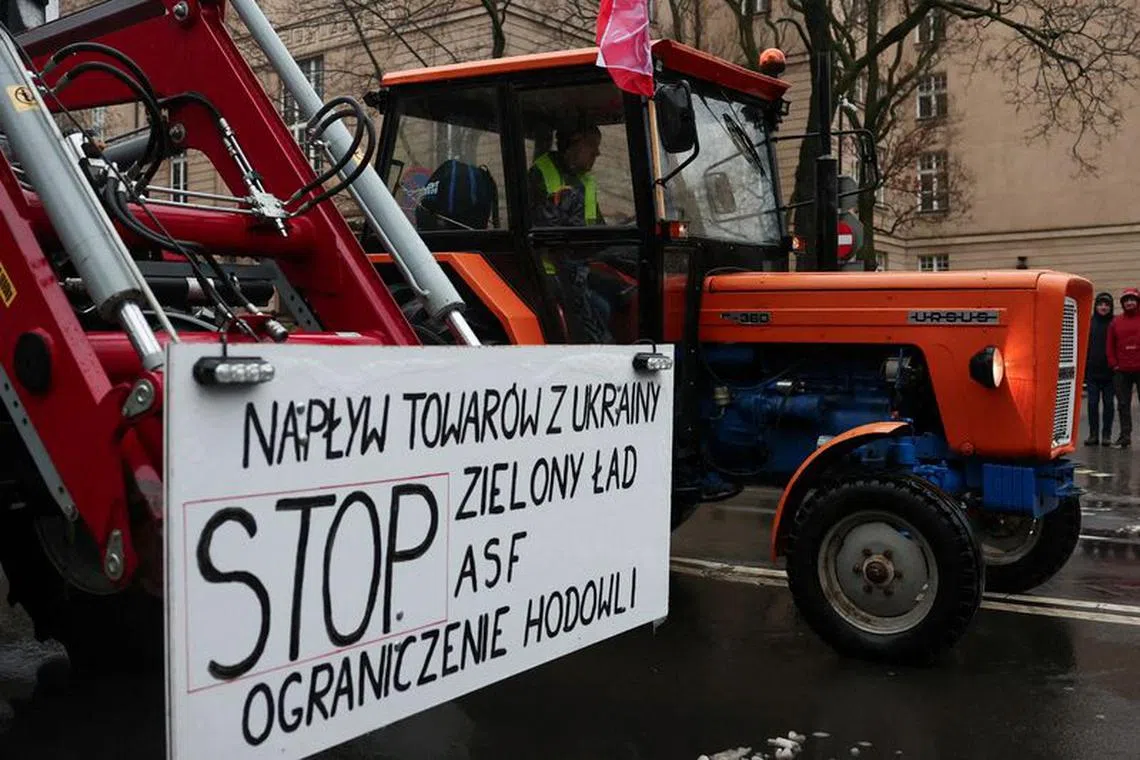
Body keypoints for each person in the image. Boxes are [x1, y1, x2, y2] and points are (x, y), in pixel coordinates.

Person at [527, 119, 613, 342]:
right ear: (574, 144)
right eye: (592, 144)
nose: (598, 153)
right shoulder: (542, 174)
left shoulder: (585, 181)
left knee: (626, 291)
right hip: (549, 272)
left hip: (578, 267)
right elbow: (548, 233)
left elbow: (598, 229)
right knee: (601, 308)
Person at [1108, 287, 1140, 447]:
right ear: (1122, 303)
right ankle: (1125, 436)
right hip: (1122, 371)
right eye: (1126, 300)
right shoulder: (1116, 322)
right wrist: (1114, 364)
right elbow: (1110, 345)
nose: (1129, 302)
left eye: (1132, 299)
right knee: (1122, 405)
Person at [1085, 292, 1115, 445]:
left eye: (1106, 305)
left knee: (1109, 404)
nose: (1103, 307)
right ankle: (1093, 434)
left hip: (1111, 374)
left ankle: (1106, 435)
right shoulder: (1089, 323)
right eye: (1100, 304)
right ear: (1095, 306)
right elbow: (1084, 348)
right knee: (1092, 404)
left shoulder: (1115, 323)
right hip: (1092, 373)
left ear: (1111, 307)